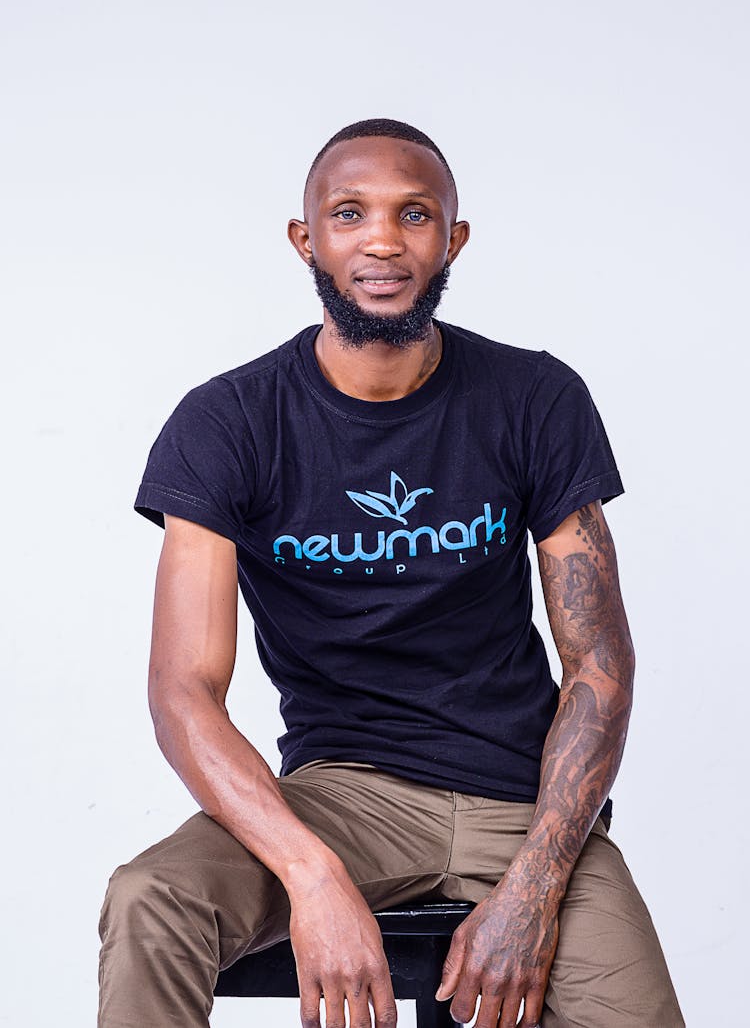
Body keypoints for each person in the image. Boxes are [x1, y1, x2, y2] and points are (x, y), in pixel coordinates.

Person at [98, 119, 684, 1028]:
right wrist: (310, 872)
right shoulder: (229, 421)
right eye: (348, 213)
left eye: (414, 215)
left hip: (523, 800)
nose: (381, 239)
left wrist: (534, 884)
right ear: (307, 239)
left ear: (451, 239)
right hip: (342, 795)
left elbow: (599, 671)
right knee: (150, 898)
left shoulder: (534, 397)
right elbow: (184, 692)